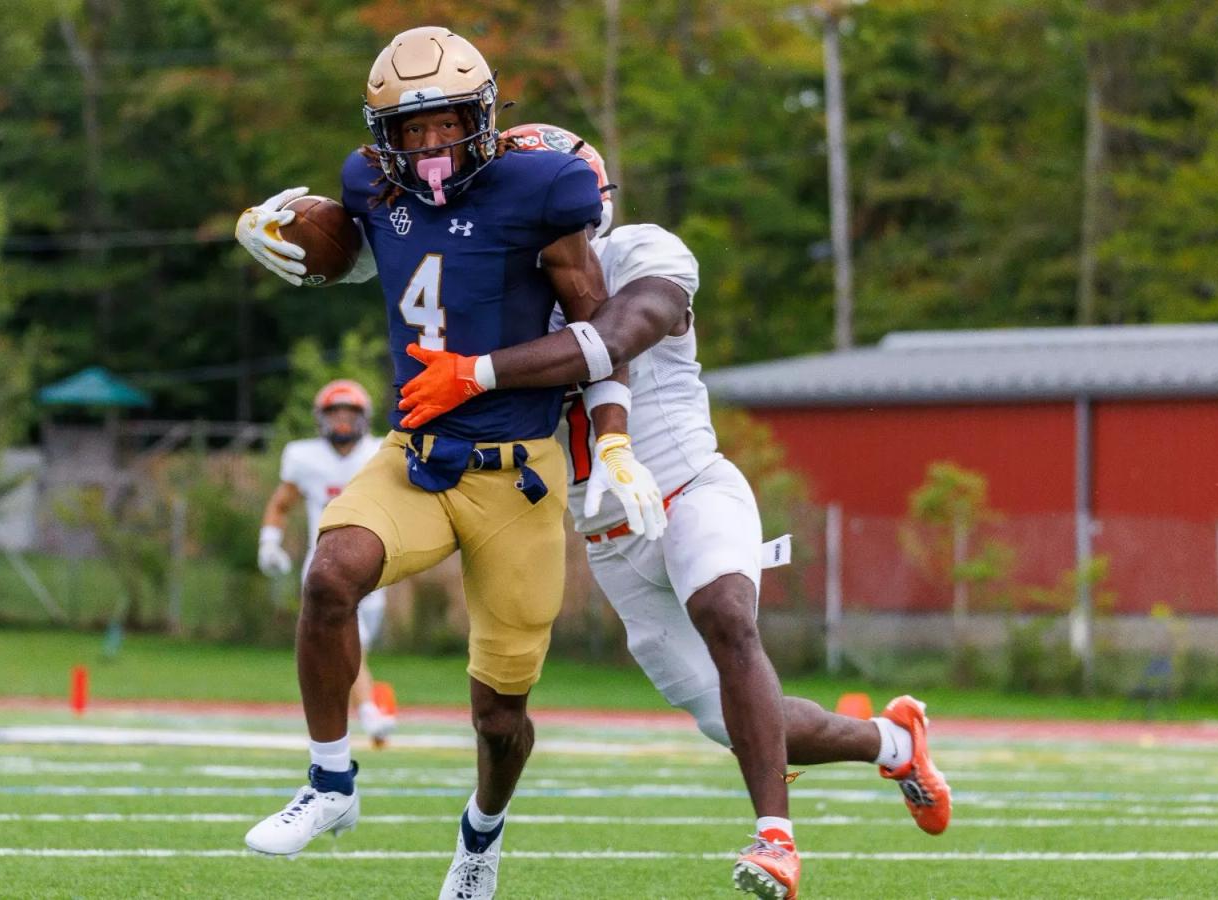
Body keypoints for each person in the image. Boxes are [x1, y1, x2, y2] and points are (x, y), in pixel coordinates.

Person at [398, 124, 953, 900]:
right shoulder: (504, 296)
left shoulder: (643, 250)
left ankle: (775, 840)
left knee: (726, 614)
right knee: (743, 722)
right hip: (611, 540)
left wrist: (479, 370)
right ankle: (892, 741)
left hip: (692, 487)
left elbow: (617, 334)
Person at [233, 27, 667, 898]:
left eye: (446, 124)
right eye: (412, 128)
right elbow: (368, 256)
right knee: (330, 575)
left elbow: (599, 331)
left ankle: (481, 834)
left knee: (499, 716)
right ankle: (329, 781)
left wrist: (614, 437)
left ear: (482, 118)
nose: (430, 144)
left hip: (518, 476)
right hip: (417, 455)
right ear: (383, 136)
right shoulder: (369, 182)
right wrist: (277, 237)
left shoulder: (542, 190)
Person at [258, 379, 396, 746]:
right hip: (325, 566)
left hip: (375, 566)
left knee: (347, 650)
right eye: (335, 413)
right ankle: (369, 713)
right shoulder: (304, 457)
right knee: (349, 640)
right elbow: (281, 504)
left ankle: (355, 711)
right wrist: (269, 543)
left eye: (349, 413)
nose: (342, 421)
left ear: (364, 417)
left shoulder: (382, 452)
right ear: (321, 418)